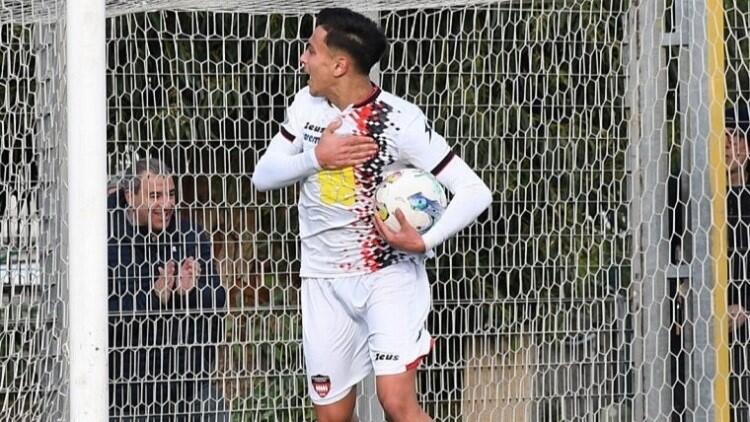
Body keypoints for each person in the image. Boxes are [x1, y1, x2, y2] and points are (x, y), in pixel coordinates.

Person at [251, 8, 492, 422]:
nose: (302, 61)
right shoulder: (306, 107)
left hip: (388, 274)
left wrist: (425, 240)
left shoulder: (400, 120)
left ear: (340, 65)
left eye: (311, 51)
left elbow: (475, 191)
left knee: (395, 402)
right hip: (323, 279)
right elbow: (262, 176)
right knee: (332, 416)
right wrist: (316, 157)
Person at [107, 158, 228, 421]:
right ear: (130, 196)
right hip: (126, 390)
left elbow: (219, 301)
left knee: (214, 408)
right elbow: (102, 319)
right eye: (155, 195)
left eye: (170, 194)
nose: (167, 204)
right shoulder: (106, 240)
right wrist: (153, 298)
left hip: (186, 383)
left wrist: (190, 293)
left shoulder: (190, 235)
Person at [725, 104, 750, 421]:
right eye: (725, 132)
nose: (730, 141)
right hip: (696, 334)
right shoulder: (684, 195)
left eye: (739, 133)